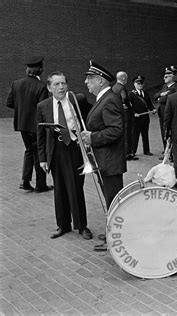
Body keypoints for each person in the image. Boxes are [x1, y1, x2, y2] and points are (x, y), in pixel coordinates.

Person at [37, 71, 92, 240]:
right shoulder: (43, 106)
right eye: (56, 84)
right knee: (59, 188)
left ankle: (82, 226)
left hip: (74, 148)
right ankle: (63, 225)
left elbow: (89, 119)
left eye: (63, 83)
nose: (61, 87)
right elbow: (39, 134)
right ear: (49, 87)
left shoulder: (77, 100)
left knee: (76, 187)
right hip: (56, 150)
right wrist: (43, 158)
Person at [81, 60, 126, 252]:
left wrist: (92, 137)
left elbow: (116, 130)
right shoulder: (104, 98)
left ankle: (116, 239)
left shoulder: (109, 99)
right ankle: (112, 232)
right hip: (105, 160)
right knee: (111, 200)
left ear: (100, 81)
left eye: (89, 79)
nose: (86, 83)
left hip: (110, 161)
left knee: (114, 201)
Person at [6, 56, 53, 192]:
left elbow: (9, 103)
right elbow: (43, 108)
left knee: (29, 151)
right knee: (39, 153)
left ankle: (25, 181)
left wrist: (23, 110)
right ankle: (40, 185)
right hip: (36, 126)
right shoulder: (41, 86)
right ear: (39, 69)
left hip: (22, 124)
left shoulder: (17, 83)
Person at [155, 65, 177, 159]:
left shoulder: (175, 87)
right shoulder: (165, 86)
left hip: (170, 115)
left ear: (172, 76)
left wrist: (160, 98)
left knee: (170, 134)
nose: (164, 78)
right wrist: (161, 94)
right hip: (162, 114)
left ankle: (172, 153)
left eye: (166, 76)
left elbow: (163, 100)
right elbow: (155, 96)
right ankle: (166, 152)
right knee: (163, 133)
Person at [129, 75, 156, 157]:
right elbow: (129, 107)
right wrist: (134, 113)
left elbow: (149, 104)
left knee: (145, 135)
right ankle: (133, 151)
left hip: (145, 118)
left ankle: (146, 150)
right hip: (136, 118)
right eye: (138, 83)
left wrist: (153, 109)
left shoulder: (146, 93)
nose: (140, 85)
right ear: (134, 84)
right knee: (135, 135)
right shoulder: (131, 94)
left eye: (141, 83)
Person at [112, 71, 135, 161]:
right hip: (125, 114)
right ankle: (127, 153)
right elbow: (124, 98)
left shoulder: (114, 87)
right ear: (124, 78)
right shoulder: (122, 88)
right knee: (127, 133)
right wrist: (127, 105)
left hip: (117, 114)